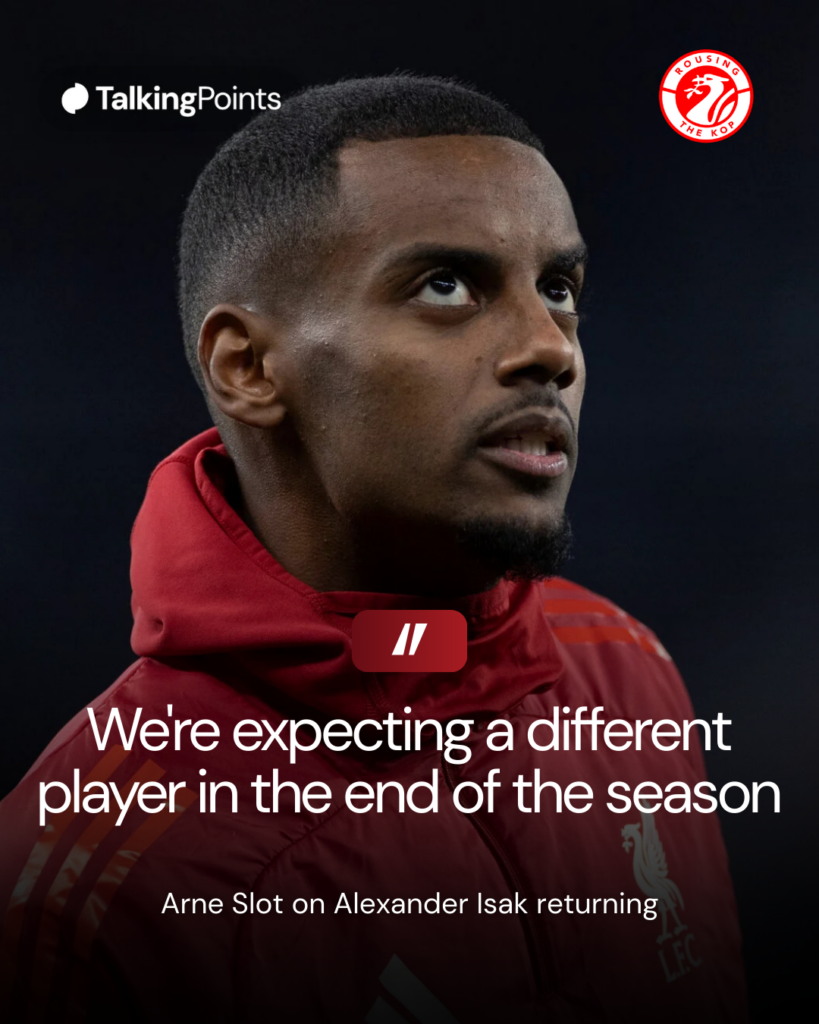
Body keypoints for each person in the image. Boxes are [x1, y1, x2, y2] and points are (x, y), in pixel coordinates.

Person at [0, 75, 746, 1023]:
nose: (549, 348)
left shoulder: (625, 668)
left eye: (558, 289)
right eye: (446, 285)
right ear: (248, 367)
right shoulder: (92, 890)